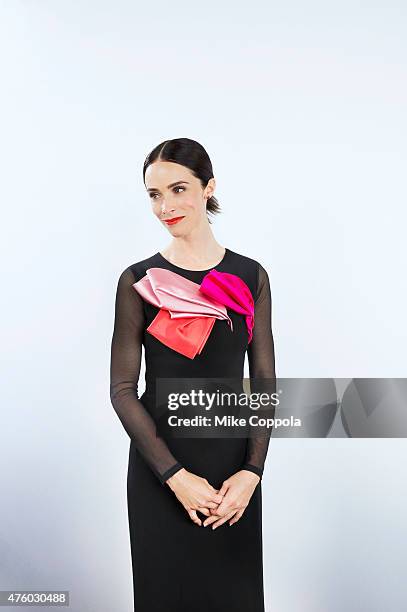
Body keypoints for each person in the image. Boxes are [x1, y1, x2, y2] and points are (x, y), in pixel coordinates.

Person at [109, 137, 276, 612]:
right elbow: (123, 390)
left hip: (233, 478)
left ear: (209, 188)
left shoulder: (251, 276)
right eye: (154, 195)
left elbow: (264, 381)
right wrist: (175, 476)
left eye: (178, 189)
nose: (165, 206)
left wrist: (252, 472)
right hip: (159, 470)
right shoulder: (138, 280)